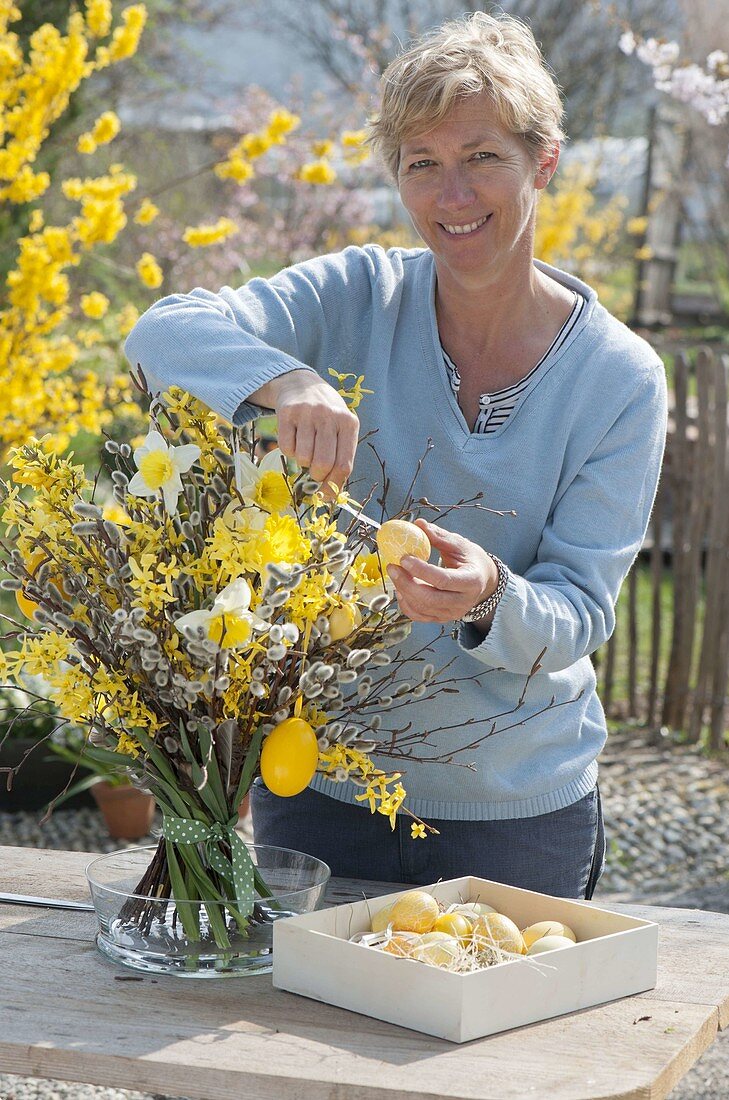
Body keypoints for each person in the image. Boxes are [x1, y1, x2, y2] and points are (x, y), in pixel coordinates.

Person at [124, 11, 667, 898]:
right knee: (290, 1036)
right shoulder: (356, 295)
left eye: (482, 157)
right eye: (423, 165)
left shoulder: (620, 380)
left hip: (517, 813)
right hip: (321, 788)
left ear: (544, 161)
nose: (453, 196)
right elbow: (160, 332)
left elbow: (580, 611)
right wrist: (289, 382)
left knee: (501, 1037)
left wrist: (490, 596)